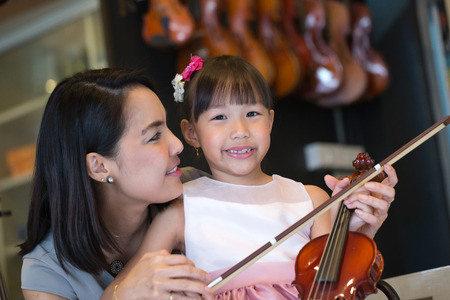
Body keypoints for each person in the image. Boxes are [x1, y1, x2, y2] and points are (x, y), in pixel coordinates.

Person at [105, 55, 398, 299]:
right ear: (191, 133)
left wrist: (357, 230)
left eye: (253, 114)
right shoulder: (182, 210)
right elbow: (121, 291)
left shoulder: (311, 200)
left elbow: (337, 287)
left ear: (270, 121)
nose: (240, 130)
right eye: (219, 117)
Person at [19, 68, 214, 300]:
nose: (177, 144)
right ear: (99, 167)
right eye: (154, 136)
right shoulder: (47, 272)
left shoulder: (198, 190)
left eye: (166, 127)